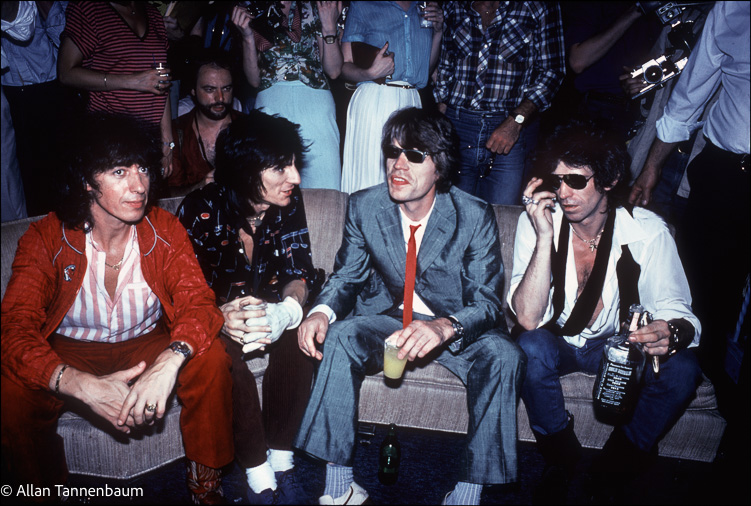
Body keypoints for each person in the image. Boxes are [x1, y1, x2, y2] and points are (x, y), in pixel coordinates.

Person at [294, 107, 525, 506]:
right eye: (392, 152)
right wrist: (320, 311)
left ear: (441, 167)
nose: (397, 165)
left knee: (505, 355)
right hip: (388, 318)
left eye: (415, 155)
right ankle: (339, 486)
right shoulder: (366, 206)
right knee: (341, 335)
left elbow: (487, 302)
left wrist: (444, 326)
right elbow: (346, 276)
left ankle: (467, 493)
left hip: (453, 323)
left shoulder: (473, 215)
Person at [0, 113, 233, 504]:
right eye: (119, 171)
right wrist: (76, 383)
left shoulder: (164, 228)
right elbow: (13, 328)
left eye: (142, 167)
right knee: (10, 390)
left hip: (145, 344)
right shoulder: (44, 237)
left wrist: (169, 362)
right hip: (70, 349)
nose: (139, 185)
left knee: (210, 357)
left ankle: (205, 485)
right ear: (86, 181)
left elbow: (200, 304)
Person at [507, 119, 702, 503]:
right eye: (556, 180)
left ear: (610, 181)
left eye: (576, 181)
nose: (563, 192)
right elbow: (527, 319)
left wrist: (668, 332)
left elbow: (680, 310)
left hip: (616, 346)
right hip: (557, 342)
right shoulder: (538, 222)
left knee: (685, 370)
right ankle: (561, 457)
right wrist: (545, 237)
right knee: (529, 346)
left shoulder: (647, 232)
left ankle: (621, 460)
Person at [177, 111, 322, 504]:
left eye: (293, 163)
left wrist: (288, 311)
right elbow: (184, 294)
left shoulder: (288, 203)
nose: (294, 177)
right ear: (244, 170)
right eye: (280, 166)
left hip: (268, 311)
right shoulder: (198, 210)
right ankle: (257, 470)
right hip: (214, 318)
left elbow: (299, 269)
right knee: (218, 355)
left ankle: (282, 458)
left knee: (303, 331)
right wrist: (222, 319)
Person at [434, 1, 565, 205]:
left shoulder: (538, 6)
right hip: (457, 127)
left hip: (507, 130)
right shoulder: (453, 5)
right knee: (453, 214)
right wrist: (441, 111)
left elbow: (552, 72)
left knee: (501, 216)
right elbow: (446, 63)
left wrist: (516, 121)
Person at [231, 1, 344, 190]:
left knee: (326, 186)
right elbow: (254, 80)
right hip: (271, 101)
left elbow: (333, 71)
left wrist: (329, 27)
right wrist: (247, 36)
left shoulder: (319, 5)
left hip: (315, 103)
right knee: (269, 185)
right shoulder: (252, 8)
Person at [58, 1, 175, 178]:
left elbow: (162, 83)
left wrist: (167, 141)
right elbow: (65, 73)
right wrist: (132, 81)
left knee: (146, 201)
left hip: (149, 139)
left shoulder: (153, 14)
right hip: (109, 137)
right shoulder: (89, 8)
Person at [339, 1, 444, 194]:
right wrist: (369, 73)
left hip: (412, 100)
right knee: (370, 177)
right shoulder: (363, 5)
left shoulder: (422, 8)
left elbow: (424, 71)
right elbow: (344, 66)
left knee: (409, 180)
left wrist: (438, 32)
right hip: (375, 98)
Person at [1, 0, 68, 217]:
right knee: (28, 178)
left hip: (48, 84)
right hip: (11, 89)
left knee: (58, 176)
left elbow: (63, 33)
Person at [563, 2, 662, 142]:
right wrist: (635, 11)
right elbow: (578, 61)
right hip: (595, 108)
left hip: (640, 108)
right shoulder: (596, 7)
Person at [166, 51, 243, 195]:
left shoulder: (250, 128)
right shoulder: (175, 133)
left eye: (226, 88)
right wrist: (201, 187)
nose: (220, 98)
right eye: (210, 89)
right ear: (193, 90)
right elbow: (167, 196)